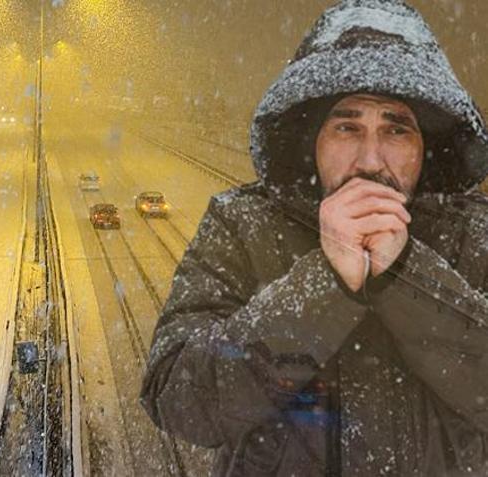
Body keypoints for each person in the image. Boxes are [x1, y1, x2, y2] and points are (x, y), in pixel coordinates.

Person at [140, 0, 488, 475]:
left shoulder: (474, 234)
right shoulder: (243, 224)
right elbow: (180, 402)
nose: (370, 160)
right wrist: (325, 286)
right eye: (347, 127)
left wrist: (405, 277)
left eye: (396, 129)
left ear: (426, 148)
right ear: (313, 141)